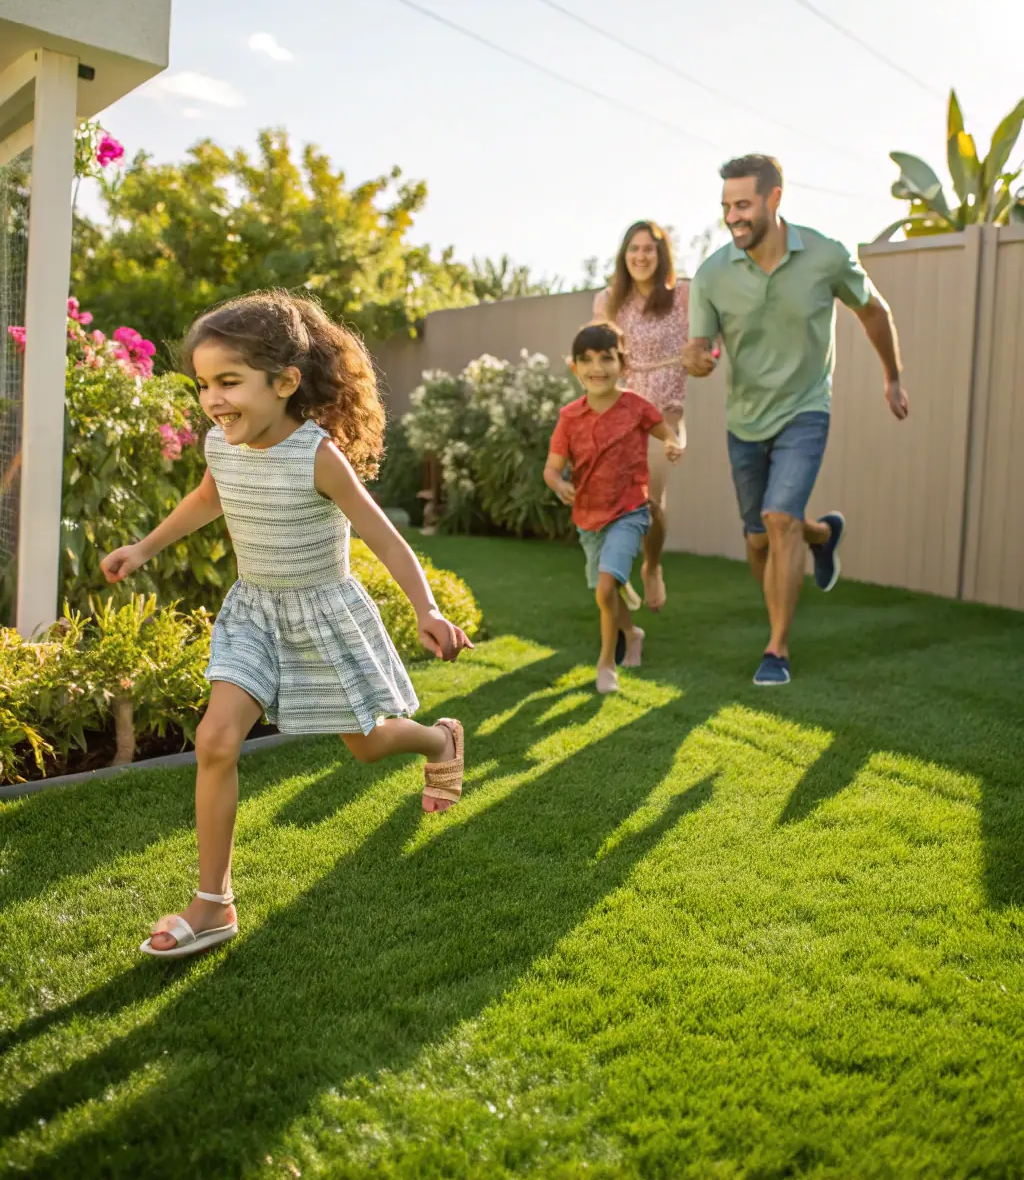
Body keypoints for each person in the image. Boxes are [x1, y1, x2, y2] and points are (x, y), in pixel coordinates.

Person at [101, 290, 473, 959]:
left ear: (284, 382)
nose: (213, 399)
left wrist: (428, 608)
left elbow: (385, 539)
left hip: (321, 614)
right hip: (255, 614)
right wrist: (143, 547)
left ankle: (438, 741)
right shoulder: (221, 445)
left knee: (365, 745)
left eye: (229, 382)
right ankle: (213, 902)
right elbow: (207, 499)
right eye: (204, 384)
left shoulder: (317, 456)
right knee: (216, 737)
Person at [684, 154, 909, 687]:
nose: (733, 216)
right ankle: (823, 535)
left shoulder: (825, 255)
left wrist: (893, 376)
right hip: (745, 418)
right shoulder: (713, 275)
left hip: (806, 408)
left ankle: (776, 649)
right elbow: (701, 345)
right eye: (726, 207)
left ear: (774, 198)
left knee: (778, 518)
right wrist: (698, 357)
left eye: (743, 204)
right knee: (760, 536)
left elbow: (873, 311)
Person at [544, 322, 683, 695]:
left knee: (606, 590)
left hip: (630, 511)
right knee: (609, 593)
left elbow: (664, 429)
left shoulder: (636, 407)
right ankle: (631, 633)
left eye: (607, 358)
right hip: (589, 519)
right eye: (586, 360)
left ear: (623, 364)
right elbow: (552, 469)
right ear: (574, 368)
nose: (597, 368)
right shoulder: (569, 417)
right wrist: (559, 485)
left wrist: (672, 443)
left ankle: (606, 664)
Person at [593, 220, 688, 613]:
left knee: (651, 499)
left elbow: (707, 344)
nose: (641, 256)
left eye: (649, 249)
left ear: (661, 254)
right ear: (624, 255)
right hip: (621, 410)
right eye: (634, 249)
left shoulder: (682, 295)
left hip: (664, 411)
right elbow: (596, 353)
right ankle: (616, 576)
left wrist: (706, 358)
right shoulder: (608, 301)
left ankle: (651, 565)